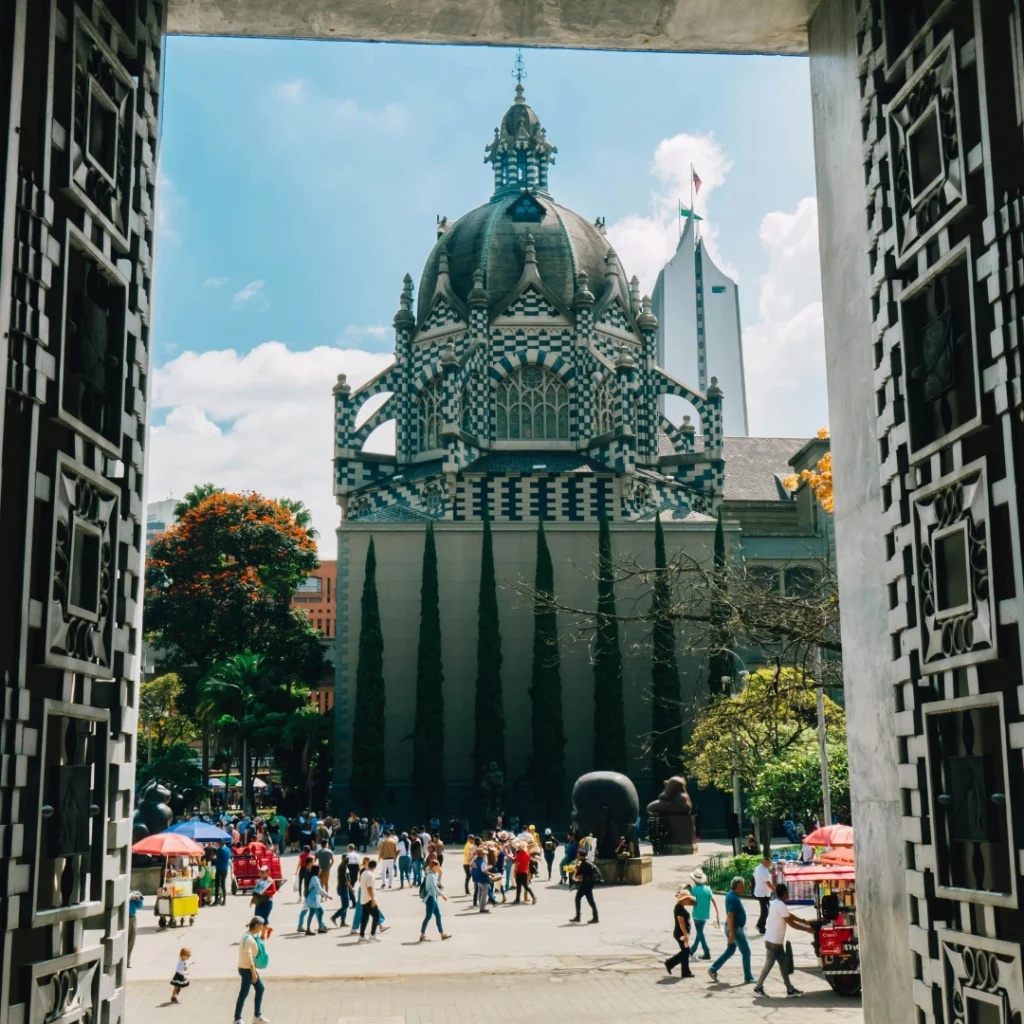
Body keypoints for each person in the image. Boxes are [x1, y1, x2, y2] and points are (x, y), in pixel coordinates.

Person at [753, 883, 812, 997]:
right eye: (787, 893)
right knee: (768, 965)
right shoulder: (780, 905)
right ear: (784, 893)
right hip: (773, 942)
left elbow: (789, 916)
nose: (788, 895)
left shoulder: (776, 903)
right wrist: (807, 929)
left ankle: (789, 989)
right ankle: (758, 987)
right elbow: (791, 923)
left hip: (775, 941)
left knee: (783, 965)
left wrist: (804, 921)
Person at [708, 876, 753, 984]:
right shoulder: (733, 898)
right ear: (737, 887)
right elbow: (730, 915)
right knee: (746, 951)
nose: (743, 888)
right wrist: (732, 933)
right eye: (742, 886)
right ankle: (748, 976)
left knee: (730, 950)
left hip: (732, 927)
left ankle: (713, 969)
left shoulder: (731, 895)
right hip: (735, 929)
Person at [234, 916, 271, 1024]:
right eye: (261, 925)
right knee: (244, 993)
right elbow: (249, 956)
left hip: (247, 968)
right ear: (256, 926)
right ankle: (237, 1019)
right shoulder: (249, 939)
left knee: (260, 988)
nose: (262, 927)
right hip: (247, 969)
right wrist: (253, 972)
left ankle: (257, 1016)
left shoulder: (250, 935)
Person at [687, 868, 719, 960]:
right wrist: (717, 911)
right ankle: (692, 950)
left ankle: (706, 951)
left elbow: (691, 902)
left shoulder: (694, 890)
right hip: (705, 915)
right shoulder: (707, 889)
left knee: (700, 933)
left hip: (696, 914)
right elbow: (713, 900)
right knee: (699, 933)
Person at [664, 888, 695, 977]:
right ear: (683, 899)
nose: (689, 901)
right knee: (686, 952)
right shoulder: (679, 909)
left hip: (681, 934)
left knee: (685, 952)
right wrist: (685, 934)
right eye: (687, 899)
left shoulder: (680, 907)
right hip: (680, 934)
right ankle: (670, 963)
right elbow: (681, 923)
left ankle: (685, 972)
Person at [419, 859, 451, 940]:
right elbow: (435, 887)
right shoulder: (430, 876)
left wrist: (440, 874)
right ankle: (422, 935)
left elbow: (438, 884)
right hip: (430, 898)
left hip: (433, 898)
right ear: (434, 866)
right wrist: (442, 895)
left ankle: (442, 934)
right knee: (428, 916)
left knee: (438, 915)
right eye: (438, 866)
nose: (439, 867)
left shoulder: (433, 874)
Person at [569, 850, 598, 924]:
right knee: (590, 901)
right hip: (588, 884)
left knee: (578, 898)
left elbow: (579, 875)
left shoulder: (584, 864)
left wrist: (575, 873)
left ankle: (578, 916)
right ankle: (595, 917)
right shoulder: (587, 862)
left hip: (585, 884)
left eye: (578, 855)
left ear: (582, 856)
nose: (577, 856)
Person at [302, 864, 331, 935]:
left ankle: (320, 928)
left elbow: (316, 888)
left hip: (314, 898)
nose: (320, 870)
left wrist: (320, 894)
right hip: (313, 899)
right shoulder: (314, 878)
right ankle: (308, 929)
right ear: (317, 870)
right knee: (312, 914)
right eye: (320, 869)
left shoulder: (312, 877)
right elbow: (319, 888)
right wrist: (327, 895)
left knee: (320, 912)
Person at [250, 865, 276, 940]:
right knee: (257, 918)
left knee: (264, 918)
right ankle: (269, 929)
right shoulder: (260, 881)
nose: (260, 874)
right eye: (260, 872)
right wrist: (252, 900)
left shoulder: (270, 881)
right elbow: (256, 891)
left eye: (262, 872)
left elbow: (273, 891)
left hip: (267, 902)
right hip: (259, 902)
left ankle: (262, 935)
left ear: (267, 872)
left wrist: (265, 893)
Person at [359, 858, 383, 941]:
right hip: (369, 899)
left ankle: (361, 935)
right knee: (376, 916)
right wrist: (373, 899)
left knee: (365, 917)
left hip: (363, 898)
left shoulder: (363, 873)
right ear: (375, 867)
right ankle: (373, 934)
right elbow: (369, 888)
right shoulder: (370, 875)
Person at [753, 855, 776, 934]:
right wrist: (775, 890)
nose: (770, 866)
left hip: (762, 892)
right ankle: (762, 928)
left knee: (765, 910)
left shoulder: (758, 868)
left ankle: (759, 924)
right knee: (765, 911)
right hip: (763, 893)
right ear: (765, 863)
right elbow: (768, 883)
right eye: (769, 864)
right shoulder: (764, 870)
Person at [331, 859, 355, 927]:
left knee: (344, 905)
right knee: (346, 905)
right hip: (343, 888)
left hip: (343, 888)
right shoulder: (343, 866)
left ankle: (343, 921)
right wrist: (351, 888)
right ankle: (334, 917)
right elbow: (345, 879)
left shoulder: (344, 866)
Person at [471, 845, 492, 913]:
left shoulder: (475, 860)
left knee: (480, 894)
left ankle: (480, 906)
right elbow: (484, 871)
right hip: (483, 880)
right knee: (484, 894)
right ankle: (482, 908)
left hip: (477, 879)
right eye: (483, 853)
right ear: (480, 854)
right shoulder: (482, 861)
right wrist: (491, 874)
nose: (484, 854)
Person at [127, 891, 144, 968]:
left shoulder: (134, 894)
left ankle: (127, 961)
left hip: (132, 918)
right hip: (122, 918)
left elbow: (140, 905)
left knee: (131, 940)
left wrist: (137, 899)